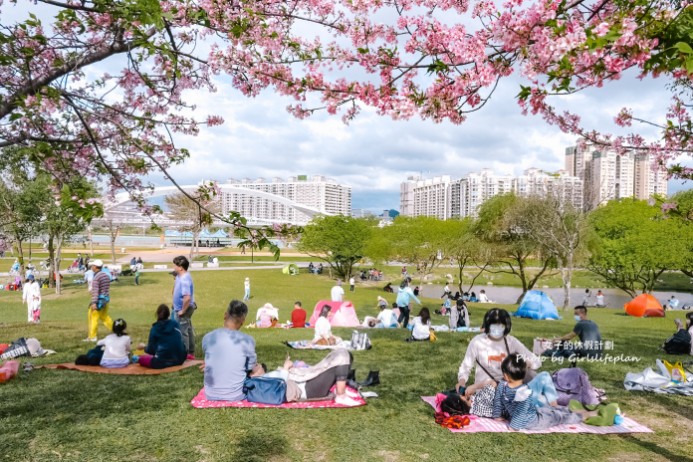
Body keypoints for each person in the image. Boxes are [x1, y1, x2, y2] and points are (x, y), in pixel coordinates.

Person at [492, 354, 582, 430]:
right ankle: (581, 416)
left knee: (550, 410)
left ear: (505, 376)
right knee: (558, 417)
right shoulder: (524, 392)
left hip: (530, 414)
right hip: (533, 422)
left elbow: (498, 401)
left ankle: (567, 410)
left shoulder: (501, 386)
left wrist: (497, 416)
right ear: (524, 374)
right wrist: (514, 427)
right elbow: (521, 411)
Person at [457, 308, 541, 390]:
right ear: (487, 325)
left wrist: (526, 364)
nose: (497, 328)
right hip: (485, 388)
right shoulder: (477, 342)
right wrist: (462, 381)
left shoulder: (511, 341)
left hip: (508, 388)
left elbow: (536, 360)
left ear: (506, 326)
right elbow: (466, 365)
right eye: (494, 325)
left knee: (532, 375)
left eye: (500, 325)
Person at [250, 348, 361, 406]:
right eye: (256, 365)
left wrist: (287, 369)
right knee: (342, 355)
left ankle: (340, 388)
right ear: (252, 375)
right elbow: (279, 385)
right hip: (307, 389)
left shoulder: (263, 379)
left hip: (306, 382)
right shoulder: (260, 382)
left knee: (341, 354)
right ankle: (341, 395)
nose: (259, 364)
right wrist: (285, 368)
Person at [202, 300, 258, 401]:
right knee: (258, 370)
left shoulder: (208, 338)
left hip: (210, 394)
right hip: (235, 395)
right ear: (243, 321)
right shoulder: (248, 340)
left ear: (225, 315)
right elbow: (250, 368)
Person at [138, 304, 187, 369]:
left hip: (163, 362)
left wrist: (144, 347)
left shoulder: (155, 329)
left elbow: (151, 350)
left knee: (141, 359)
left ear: (157, 314)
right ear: (168, 314)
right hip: (180, 359)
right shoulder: (175, 324)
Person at [172, 255, 196, 357]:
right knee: (188, 329)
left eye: (175, 266)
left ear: (180, 267)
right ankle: (191, 352)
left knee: (183, 332)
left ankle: (185, 354)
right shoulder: (180, 276)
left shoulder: (185, 279)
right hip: (181, 307)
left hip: (184, 309)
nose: (173, 267)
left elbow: (187, 298)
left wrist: (182, 311)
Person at [85, 259, 113, 342]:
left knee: (92, 317)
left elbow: (95, 291)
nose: (91, 267)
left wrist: (94, 302)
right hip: (105, 300)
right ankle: (117, 331)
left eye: (92, 266)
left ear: (95, 267)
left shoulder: (96, 277)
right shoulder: (105, 275)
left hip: (98, 301)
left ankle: (92, 337)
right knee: (105, 317)